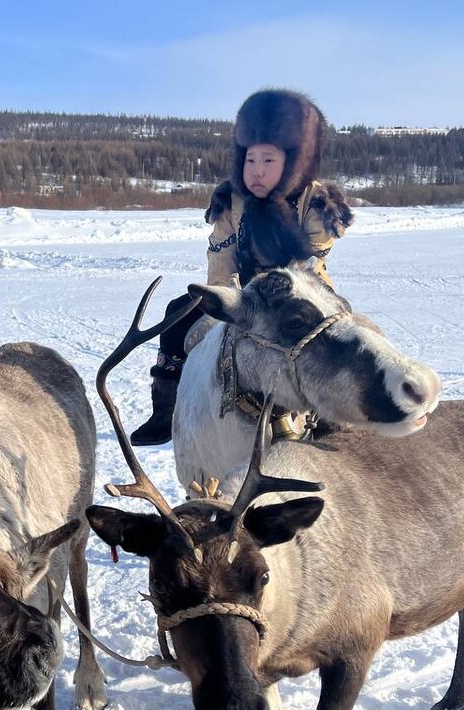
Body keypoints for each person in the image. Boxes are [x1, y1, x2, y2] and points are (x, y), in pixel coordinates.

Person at [130, 88, 354, 445]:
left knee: (342, 340)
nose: (257, 172)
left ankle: (331, 416)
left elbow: (308, 264)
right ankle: (165, 409)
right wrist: (222, 304)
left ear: (293, 162)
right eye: (250, 161)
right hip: (243, 292)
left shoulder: (317, 203)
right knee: (176, 315)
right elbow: (221, 255)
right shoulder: (232, 201)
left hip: (302, 297)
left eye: (268, 161)